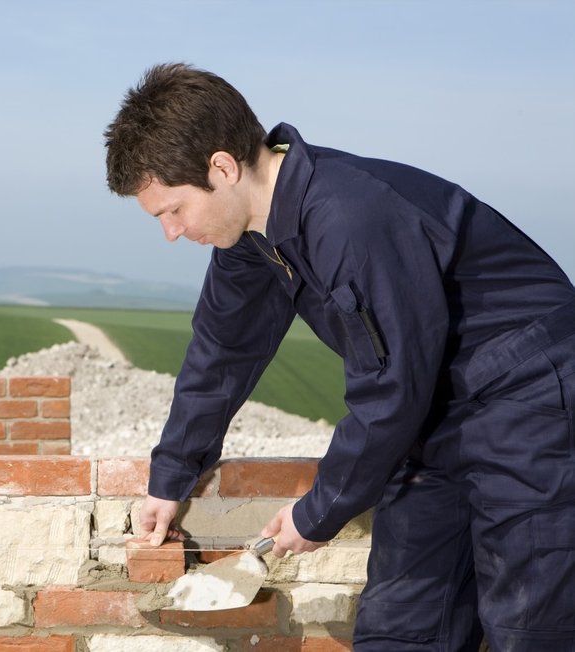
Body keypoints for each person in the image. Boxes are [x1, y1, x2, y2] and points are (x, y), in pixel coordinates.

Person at [104, 63, 575, 651]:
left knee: (531, 628)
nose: (171, 232)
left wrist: (320, 511)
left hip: (529, 397)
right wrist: (171, 475)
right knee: (401, 632)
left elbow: (392, 380)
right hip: (434, 418)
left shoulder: (350, 217)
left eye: (173, 210)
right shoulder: (251, 239)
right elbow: (220, 355)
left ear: (221, 167)